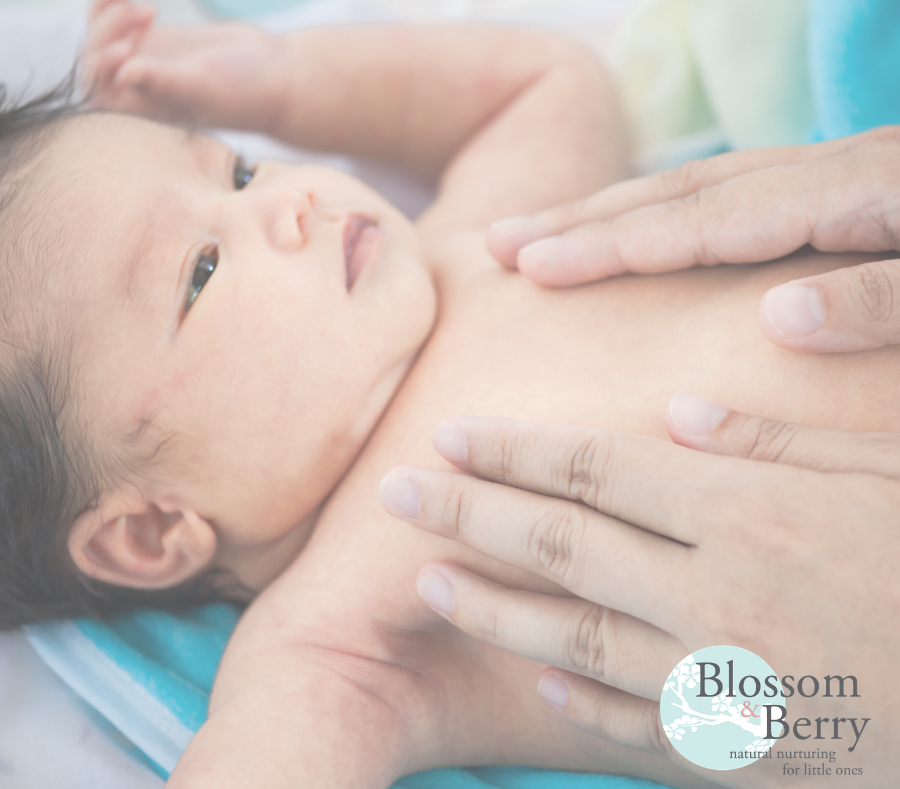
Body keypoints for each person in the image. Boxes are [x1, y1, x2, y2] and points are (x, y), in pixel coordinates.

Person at [1, 2, 896, 787]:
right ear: (152, 531)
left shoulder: (470, 246)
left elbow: (545, 83)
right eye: (202, 271)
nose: (289, 201)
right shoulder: (330, 644)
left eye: (238, 171)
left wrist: (278, 82)